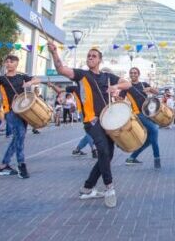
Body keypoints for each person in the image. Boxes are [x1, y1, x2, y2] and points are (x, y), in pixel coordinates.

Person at [49, 44, 130, 208]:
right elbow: (61, 69)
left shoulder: (108, 76)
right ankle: (110, 187)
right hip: (92, 121)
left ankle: (87, 188)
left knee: (107, 156)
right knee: (103, 151)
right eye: (88, 56)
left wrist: (116, 86)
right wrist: (54, 52)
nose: (90, 58)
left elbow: (127, 84)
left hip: (109, 120)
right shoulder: (81, 75)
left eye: (94, 56)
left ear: (100, 60)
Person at [0, 54, 41, 179]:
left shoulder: (22, 76)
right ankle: (21, 165)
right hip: (10, 112)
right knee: (19, 136)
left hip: (24, 111)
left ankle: (3, 166)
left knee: (19, 138)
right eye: (7, 61)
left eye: (11, 61)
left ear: (16, 63)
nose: (8, 63)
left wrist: (29, 83)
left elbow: (37, 80)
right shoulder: (1, 79)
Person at [122, 67, 161, 168]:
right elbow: (120, 99)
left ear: (138, 74)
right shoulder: (127, 86)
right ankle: (157, 159)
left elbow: (157, 92)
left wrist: (150, 89)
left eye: (135, 73)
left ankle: (131, 158)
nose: (133, 74)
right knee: (155, 129)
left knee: (149, 140)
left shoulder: (144, 84)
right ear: (129, 75)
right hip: (138, 114)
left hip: (148, 113)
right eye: (131, 73)